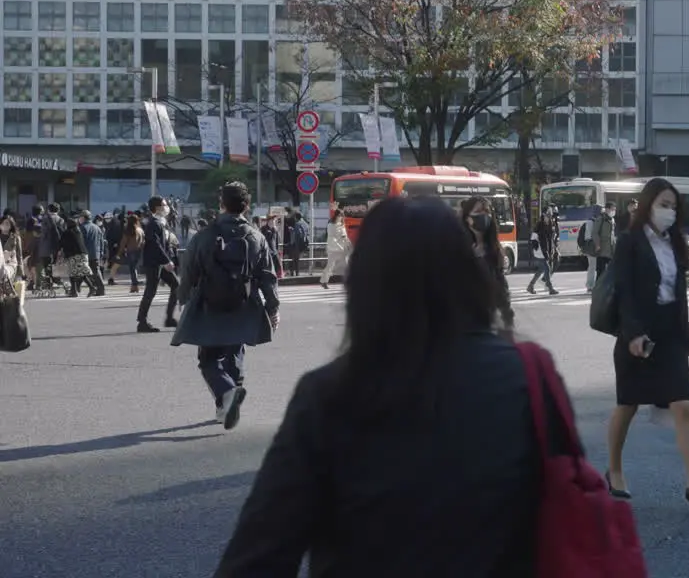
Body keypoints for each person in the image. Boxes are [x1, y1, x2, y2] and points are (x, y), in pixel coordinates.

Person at [215, 197, 551, 575]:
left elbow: (257, 557)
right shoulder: (528, 375)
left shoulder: (327, 395)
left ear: (365, 284)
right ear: (467, 277)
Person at [606, 178, 689, 511]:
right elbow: (624, 291)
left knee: (683, 406)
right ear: (647, 205)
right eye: (662, 204)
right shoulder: (629, 242)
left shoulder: (675, 243)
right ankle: (614, 470)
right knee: (628, 406)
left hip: (670, 335)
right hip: (638, 335)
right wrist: (633, 333)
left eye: (673, 206)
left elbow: (676, 294)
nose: (668, 212)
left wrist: (687, 337)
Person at [173, 182, 280, 430]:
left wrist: (183, 299)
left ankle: (227, 393)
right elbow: (268, 276)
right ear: (247, 205)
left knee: (209, 358)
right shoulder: (256, 236)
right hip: (244, 303)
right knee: (235, 352)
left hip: (209, 302)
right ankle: (227, 403)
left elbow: (188, 272)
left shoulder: (205, 235)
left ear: (221, 204)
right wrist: (273, 308)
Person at [461, 196, 514, 337]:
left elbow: (502, 289)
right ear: (468, 218)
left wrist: (508, 322)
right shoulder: (458, 248)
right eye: (479, 211)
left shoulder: (495, 250)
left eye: (487, 211)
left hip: (489, 323)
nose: (484, 216)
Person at [137, 195, 180, 333]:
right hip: (155, 262)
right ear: (157, 207)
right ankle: (142, 322)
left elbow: (165, 244)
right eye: (164, 204)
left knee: (176, 285)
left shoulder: (161, 222)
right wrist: (166, 260)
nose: (167, 207)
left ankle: (169, 318)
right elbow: (155, 244)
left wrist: (170, 258)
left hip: (162, 262)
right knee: (150, 291)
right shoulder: (153, 223)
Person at [527, 207, 559, 295]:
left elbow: (551, 238)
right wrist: (537, 247)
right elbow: (533, 238)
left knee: (541, 269)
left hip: (547, 250)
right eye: (547, 215)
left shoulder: (550, 224)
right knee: (547, 268)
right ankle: (550, 288)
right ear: (544, 215)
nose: (548, 217)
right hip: (540, 250)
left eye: (549, 215)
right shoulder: (539, 225)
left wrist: (552, 249)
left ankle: (530, 286)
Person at [76, 211, 108, 297]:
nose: (79, 219)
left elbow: (81, 241)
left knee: (82, 271)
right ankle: (101, 289)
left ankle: (77, 288)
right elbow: (101, 242)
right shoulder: (97, 227)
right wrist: (101, 252)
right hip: (96, 253)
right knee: (95, 271)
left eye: (80, 217)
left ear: (83, 217)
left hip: (85, 253)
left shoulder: (82, 228)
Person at [113, 214, 144, 293]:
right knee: (134, 268)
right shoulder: (140, 230)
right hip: (139, 251)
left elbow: (123, 243)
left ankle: (134, 285)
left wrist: (119, 253)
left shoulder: (129, 230)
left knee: (132, 269)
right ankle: (134, 285)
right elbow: (144, 241)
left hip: (131, 251)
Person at [319, 216, 350, 289]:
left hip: (342, 248)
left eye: (342, 216)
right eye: (340, 216)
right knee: (330, 265)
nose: (341, 218)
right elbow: (331, 237)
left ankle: (348, 282)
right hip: (333, 248)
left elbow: (345, 236)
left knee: (346, 265)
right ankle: (324, 281)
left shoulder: (342, 225)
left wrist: (348, 244)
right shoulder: (331, 226)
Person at [593, 201, 617, 276]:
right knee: (601, 272)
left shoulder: (612, 220)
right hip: (602, 249)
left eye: (614, 210)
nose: (613, 211)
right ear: (607, 209)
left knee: (611, 272)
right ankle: (598, 287)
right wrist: (597, 244)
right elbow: (595, 233)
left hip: (611, 249)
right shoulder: (600, 219)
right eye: (612, 209)